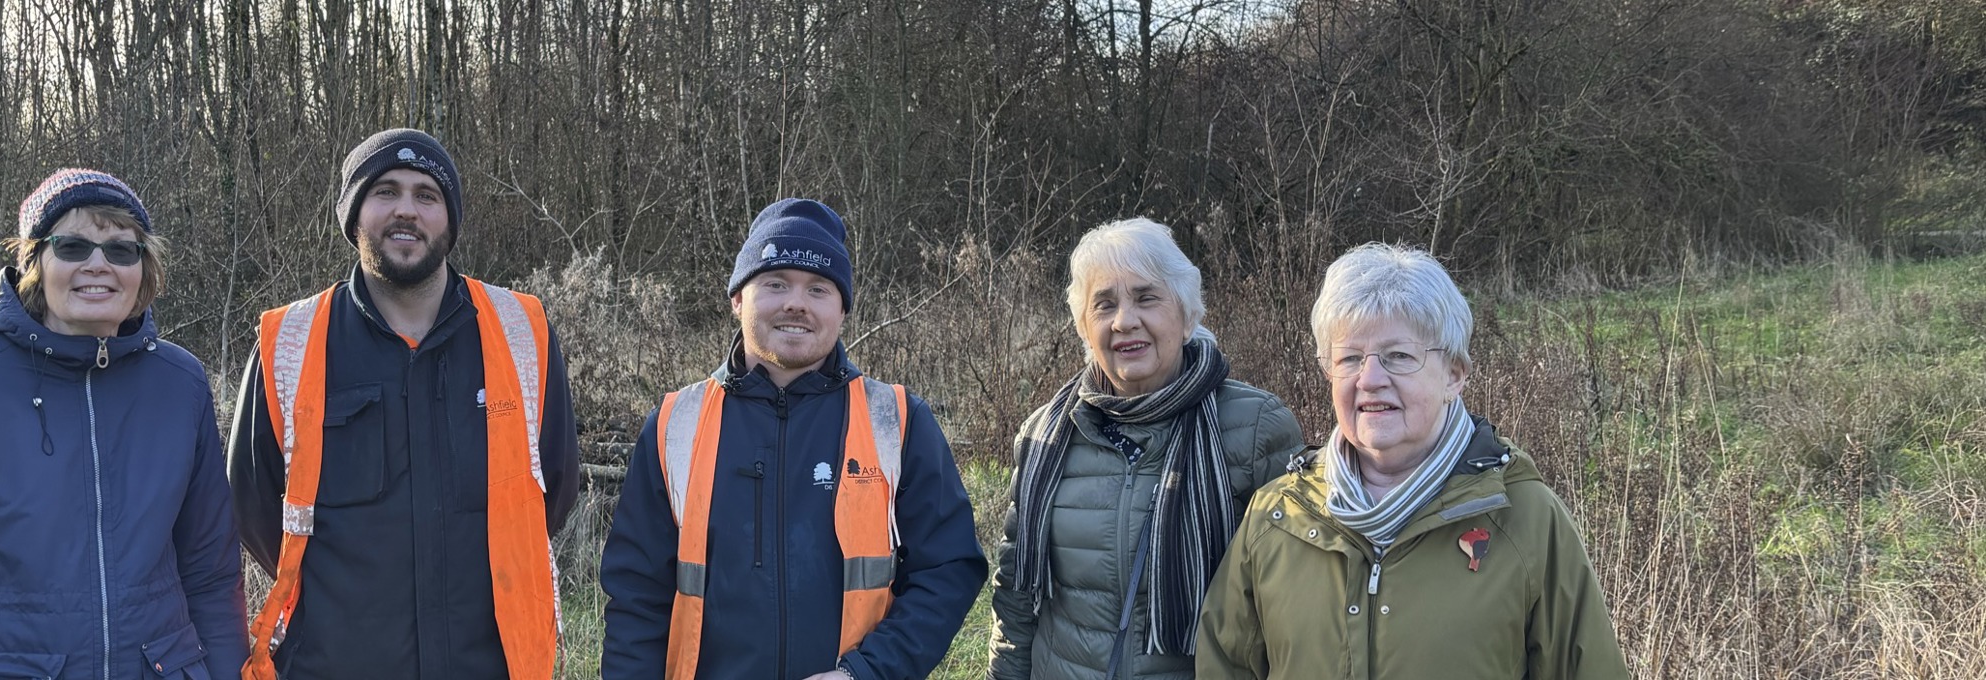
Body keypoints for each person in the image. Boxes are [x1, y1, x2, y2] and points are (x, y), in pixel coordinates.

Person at [0, 169, 247, 679]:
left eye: (121, 250)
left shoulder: (181, 383)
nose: (98, 265)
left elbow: (211, 577)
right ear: (35, 260)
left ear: (144, 268)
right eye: (73, 246)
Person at [228, 128, 579, 680]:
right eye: (385, 192)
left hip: (489, 665)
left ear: (450, 218)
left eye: (427, 195)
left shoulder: (520, 331)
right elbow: (251, 505)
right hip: (334, 665)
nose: (406, 211)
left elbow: (552, 491)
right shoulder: (290, 343)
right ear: (354, 213)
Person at [1195, 243, 1629, 679]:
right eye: (1349, 358)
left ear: (1454, 375)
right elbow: (1225, 667)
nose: (1369, 380)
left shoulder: (1525, 519)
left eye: (1398, 356)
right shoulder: (1276, 517)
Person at [598, 198, 987, 680]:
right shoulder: (675, 425)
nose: (796, 303)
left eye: (818, 288)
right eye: (776, 283)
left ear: (842, 308)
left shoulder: (898, 421)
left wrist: (867, 674)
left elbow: (948, 570)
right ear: (738, 299)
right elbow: (636, 598)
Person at [986, 218, 1306, 680]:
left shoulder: (1257, 428)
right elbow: (1015, 601)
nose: (1124, 321)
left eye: (1146, 297)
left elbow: (1290, 610)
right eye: (1105, 304)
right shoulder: (1044, 437)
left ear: (1186, 312)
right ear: (1083, 325)